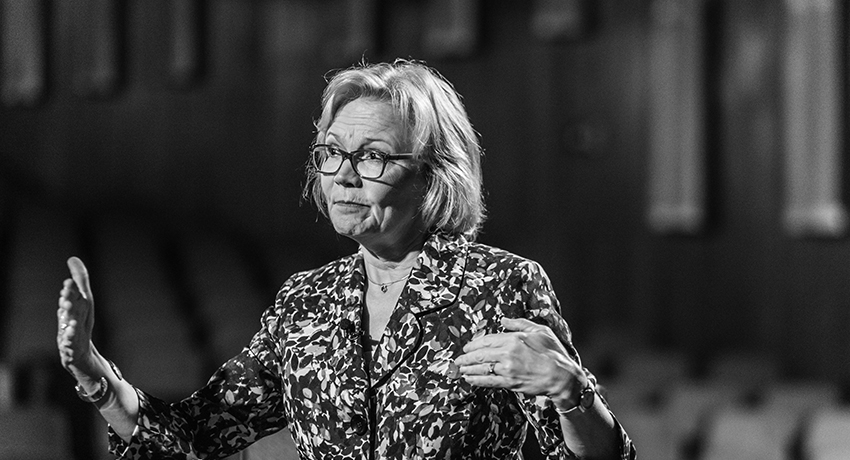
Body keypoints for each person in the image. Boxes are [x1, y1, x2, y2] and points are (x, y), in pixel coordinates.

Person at [56, 59, 636, 459]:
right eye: (332, 153)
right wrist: (91, 371)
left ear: (434, 175)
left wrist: (571, 392)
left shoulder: (500, 286)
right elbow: (192, 436)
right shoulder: (304, 303)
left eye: (374, 156)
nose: (344, 176)